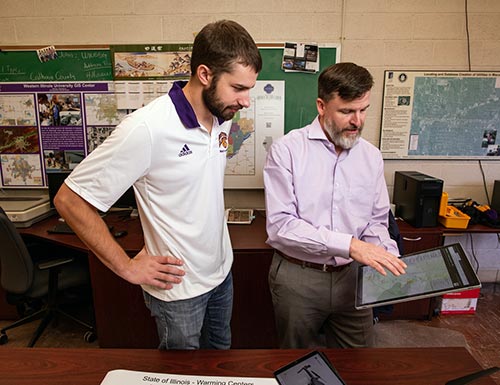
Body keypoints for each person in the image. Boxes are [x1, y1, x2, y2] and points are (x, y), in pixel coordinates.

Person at [54, 20, 262, 350]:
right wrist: (125, 266)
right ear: (205, 75)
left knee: (219, 362)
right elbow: (69, 201)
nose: (246, 100)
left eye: (250, 88)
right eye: (238, 88)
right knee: (181, 374)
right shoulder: (147, 129)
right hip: (177, 291)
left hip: (221, 275)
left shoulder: (222, 115)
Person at [263, 62, 406, 349]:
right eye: (346, 111)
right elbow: (281, 226)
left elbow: (376, 221)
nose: (357, 121)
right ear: (321, 105)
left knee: (357, 363)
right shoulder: (287, 151)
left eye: (363, 109)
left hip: (354, 277)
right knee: (296, 362)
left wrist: (386, 254)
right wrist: (351, 245)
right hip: (299, 277)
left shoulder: (371, 156)